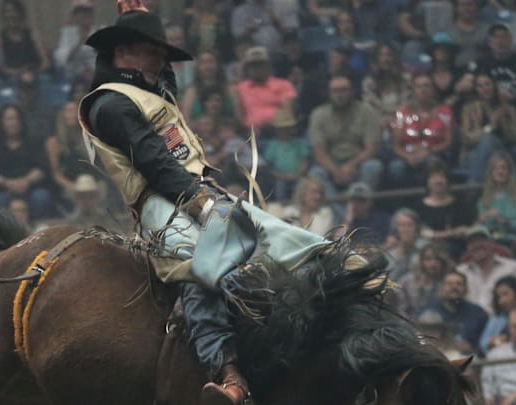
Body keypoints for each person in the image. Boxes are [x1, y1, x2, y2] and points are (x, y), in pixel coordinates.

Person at [77, 5, 330, 404]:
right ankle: (229, 376)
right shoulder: (110, 104)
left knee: (286, 239)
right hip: (161, 204)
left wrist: (140, 15)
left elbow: (166, 90)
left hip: (198, 192)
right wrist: (198, 201)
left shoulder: (149, 93)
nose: (162, 59)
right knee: (198, 266)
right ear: (123, 52)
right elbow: (155, 163)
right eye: (152, 49)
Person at [308, 75, 383, 194]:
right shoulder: (318, 115)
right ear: (329, 93)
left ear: (352, 91)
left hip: (359, 162)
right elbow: (319, 152)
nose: (339, 95)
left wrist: (351, 165)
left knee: (373, 166)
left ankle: (360, 205)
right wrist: (335, 170)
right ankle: (340, 212)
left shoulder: (367, 111)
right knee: (316, 173)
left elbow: (371, 148)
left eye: (344, 90)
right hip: (331, 164)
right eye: (335, 91)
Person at [0, 105, 52, 219]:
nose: (13, 122)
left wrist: (26, 181)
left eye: (16, 118)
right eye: (9, 119)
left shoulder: (34, 141)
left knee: (41, 197)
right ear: (1, 122)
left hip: (30, 187)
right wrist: (6, 183)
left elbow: (41, 169)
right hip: (3, 189)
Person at [389, 74, 454, 186]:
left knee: (433, 163)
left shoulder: (445, 112)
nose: (423, 90)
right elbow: (395, 145)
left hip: (433, 153)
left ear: (433, 90)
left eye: (426, 86)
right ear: (413, 91)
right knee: (396, 167)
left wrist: (428, 151)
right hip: (406, 155)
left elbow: (448, 142)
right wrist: (408, 156)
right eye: (418, 87)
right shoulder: (401, 114)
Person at [461, 74, 516, 182]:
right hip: (476, 151)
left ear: (494, 86)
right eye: (480, 86)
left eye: (487, 84)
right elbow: (467, 139)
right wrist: (490, 126)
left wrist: (504, 121)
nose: (485, 89)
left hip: (505, 151)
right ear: (476, 89)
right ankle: (474, 187)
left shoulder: (508, 109)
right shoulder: (469, 109)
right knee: (488, 141)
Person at [418, 271, 488, 355]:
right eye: (449, 284)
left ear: (466, 290)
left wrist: (473, 348)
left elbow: (485, 343)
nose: (454, 287)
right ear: (442, 289)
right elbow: (423, 342)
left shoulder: (477, 313)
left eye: (459, 284)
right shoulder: (429, 312)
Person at [415, 160, 474, 257]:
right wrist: (452, 233)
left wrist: (434, 235)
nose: (438, 181)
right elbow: (421, 233)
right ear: (427, 181)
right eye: (434, 177)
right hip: (426, 250)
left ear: (448, 180)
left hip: (457, 250)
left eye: (442, 177)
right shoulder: (419, 206)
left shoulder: (460, 204)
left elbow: (467, 229)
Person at [233, 46, 297, 133]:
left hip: (279, 131)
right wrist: (246, 128)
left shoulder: (284, 84)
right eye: (253, 66)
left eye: (260, 65)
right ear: (247, 68)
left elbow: (288, 111)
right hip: (251, 132)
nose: (256, 69)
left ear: (268, 66)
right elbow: (239, 114)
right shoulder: (240, 88)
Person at [458, 224, 516, 314]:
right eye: (472, 242)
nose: (477, 245)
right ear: (467, 248)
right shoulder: (460, 272)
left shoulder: (513, 268)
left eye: (482, 240)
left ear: (492, 243)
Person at [0, 0, 51, 78]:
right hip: (13, 80)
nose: (10, 15)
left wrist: (33, 73)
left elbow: (46, 62)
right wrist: (20, 73)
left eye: (14, 11)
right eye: (6, 11)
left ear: (21, 14)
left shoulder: (34, 34)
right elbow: (2, 68)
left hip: (37, 77)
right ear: (2, 15)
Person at [263, 108, 309, 202]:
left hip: (298, 176)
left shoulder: (298, 144)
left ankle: (299, 204)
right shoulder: (273, 145)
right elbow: (268, 166)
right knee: (280, 185)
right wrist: (280, 175)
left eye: (288, 128)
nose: (285, 131)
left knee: (304, 184)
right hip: (279, 177)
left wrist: (298, 174)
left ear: (292, 129)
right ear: (277, 130)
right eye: (282, 128)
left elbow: (305, 161)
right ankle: (281, 205)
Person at [398, 242, 454, 319]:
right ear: (422, 261)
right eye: (428, 259)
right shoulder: (407, 281)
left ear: (443, 262)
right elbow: (401, 309)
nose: (433, 263)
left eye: (437, 259)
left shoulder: (449, 282)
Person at [361, 43, 410, 127]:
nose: (385, 59)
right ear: (377, 58)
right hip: (375, 123)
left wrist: (392, 119)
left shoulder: (404, 81)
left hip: (401, 123)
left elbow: (406, 106)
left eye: (389, 55)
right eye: (381, 55)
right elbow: (369, 107)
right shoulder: (369, 82)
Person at [180, 50, 235, 122]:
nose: (207, 66)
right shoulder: (191, 92)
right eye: (203, 62)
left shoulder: (230, 89)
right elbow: (185, 121)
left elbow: (239, 120)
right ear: (198, 67)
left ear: (218, 64)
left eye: (211, 61)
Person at [468, 23, 516, 104]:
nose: (500, 41)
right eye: (496, 37)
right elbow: (466, 83)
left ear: (511, 39)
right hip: (488, 107)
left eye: (504, 36)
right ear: (489, 42)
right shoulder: (479, 63)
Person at [478, 152, 516, 246]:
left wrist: (504, 220)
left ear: (509, 172)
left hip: (514, 240)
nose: (500, 171)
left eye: (503, 168)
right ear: (491, 172)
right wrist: (481, 222)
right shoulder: (483, 200)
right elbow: (483, 229)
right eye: (495, 168)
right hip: (492, 241)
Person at [53, 0, 99, 80]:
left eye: (88, 14)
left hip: (96, 73)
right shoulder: (67, 33)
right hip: (74, 75)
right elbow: (62, 58)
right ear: (75, 17)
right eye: (82, 15)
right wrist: (79, 43)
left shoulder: (100, 31)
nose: (85, 18)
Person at [482, 308, 516, 404]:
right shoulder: (495, 354)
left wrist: (515, 395)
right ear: (509, 328)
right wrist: (489, 399)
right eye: (514, 326)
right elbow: (487, 384)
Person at [385, 208, 427, 281]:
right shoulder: (390, 252)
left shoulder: (426, 247)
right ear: (396, 229)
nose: (406, 229)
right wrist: (401, 251)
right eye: (403, 225)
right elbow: (391, 278)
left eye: (410, 225)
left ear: (417, 227)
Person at [480, 276, 516, 354]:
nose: (502, 301)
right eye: (499, 297)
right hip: (500, 357)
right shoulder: (496, 319)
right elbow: (483, 344)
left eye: (506, 294)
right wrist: (496, 341)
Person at [447, 0, 489, 67]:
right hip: (456, 71)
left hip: (483, 71)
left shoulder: (487, 30)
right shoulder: (448, 32)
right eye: (462, 5)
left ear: (476, 7)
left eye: (469, 4)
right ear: (456, 8)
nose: (466, 8)